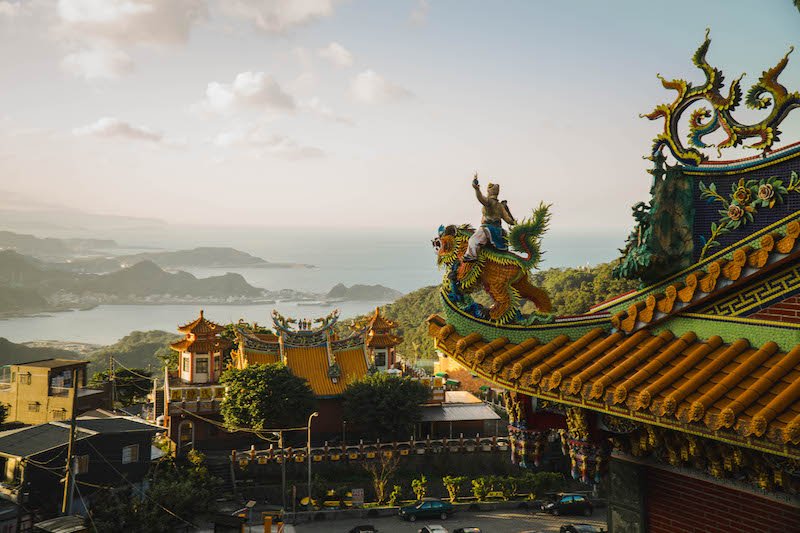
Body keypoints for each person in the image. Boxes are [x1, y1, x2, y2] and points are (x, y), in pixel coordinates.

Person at [464, 174, 516, 262]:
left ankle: (471, 256)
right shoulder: (500, 206)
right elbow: (510, 221)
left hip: (487, 229)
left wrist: (477, 189)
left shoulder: (489, 202)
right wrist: (507, 210)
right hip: (498, 231)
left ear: (489, 192)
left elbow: (480, 198)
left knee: (473, 241)